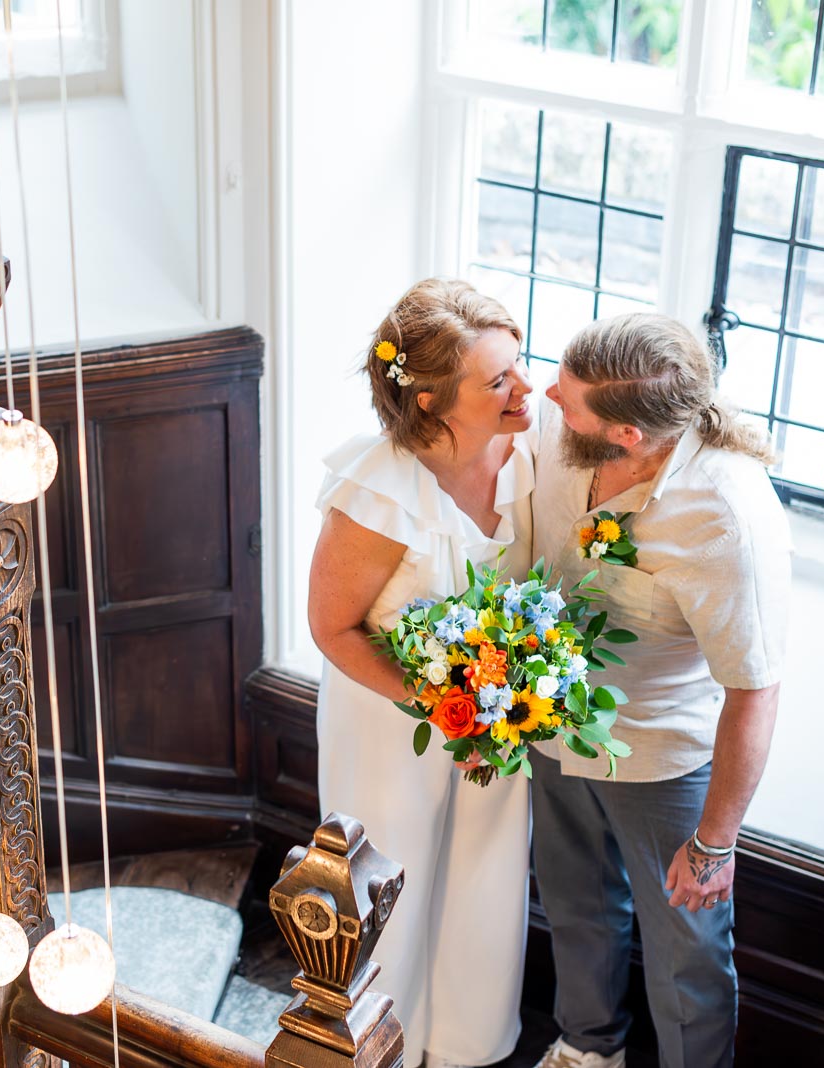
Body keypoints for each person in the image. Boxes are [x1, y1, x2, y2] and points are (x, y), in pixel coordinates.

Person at [527, 314, 790, 1068]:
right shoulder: (563, 424)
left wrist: (714, 844)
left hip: (660, 758)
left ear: (628, 436)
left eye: (569, 398)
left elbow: (755, 690)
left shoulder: (725, 521)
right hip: (551, 727)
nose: (549, 396)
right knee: (575, 907)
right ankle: (587, 1048)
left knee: (688, 954)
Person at [309, 278, 536, 1068]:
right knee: (390, 888)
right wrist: (443, 710)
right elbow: (331, 628)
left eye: (520, 364)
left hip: (499, 716)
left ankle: (467, 1045)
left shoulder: (528, 452)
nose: (525, 388)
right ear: (434, 401)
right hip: (389, 720)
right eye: (499, 379)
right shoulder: (376, 496)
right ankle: (380, 1048)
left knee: (486, 872)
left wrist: (503, 707)